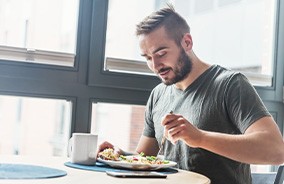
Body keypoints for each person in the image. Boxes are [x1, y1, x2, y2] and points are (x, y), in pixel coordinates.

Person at [98, 5, 284, 184]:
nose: (155, 66)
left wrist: (200, 138)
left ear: (187, 42)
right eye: (147, 58)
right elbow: (145, 158)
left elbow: (276, 150)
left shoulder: (230, 84)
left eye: (161, 53)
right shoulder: (158, 95)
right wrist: (119, 155)